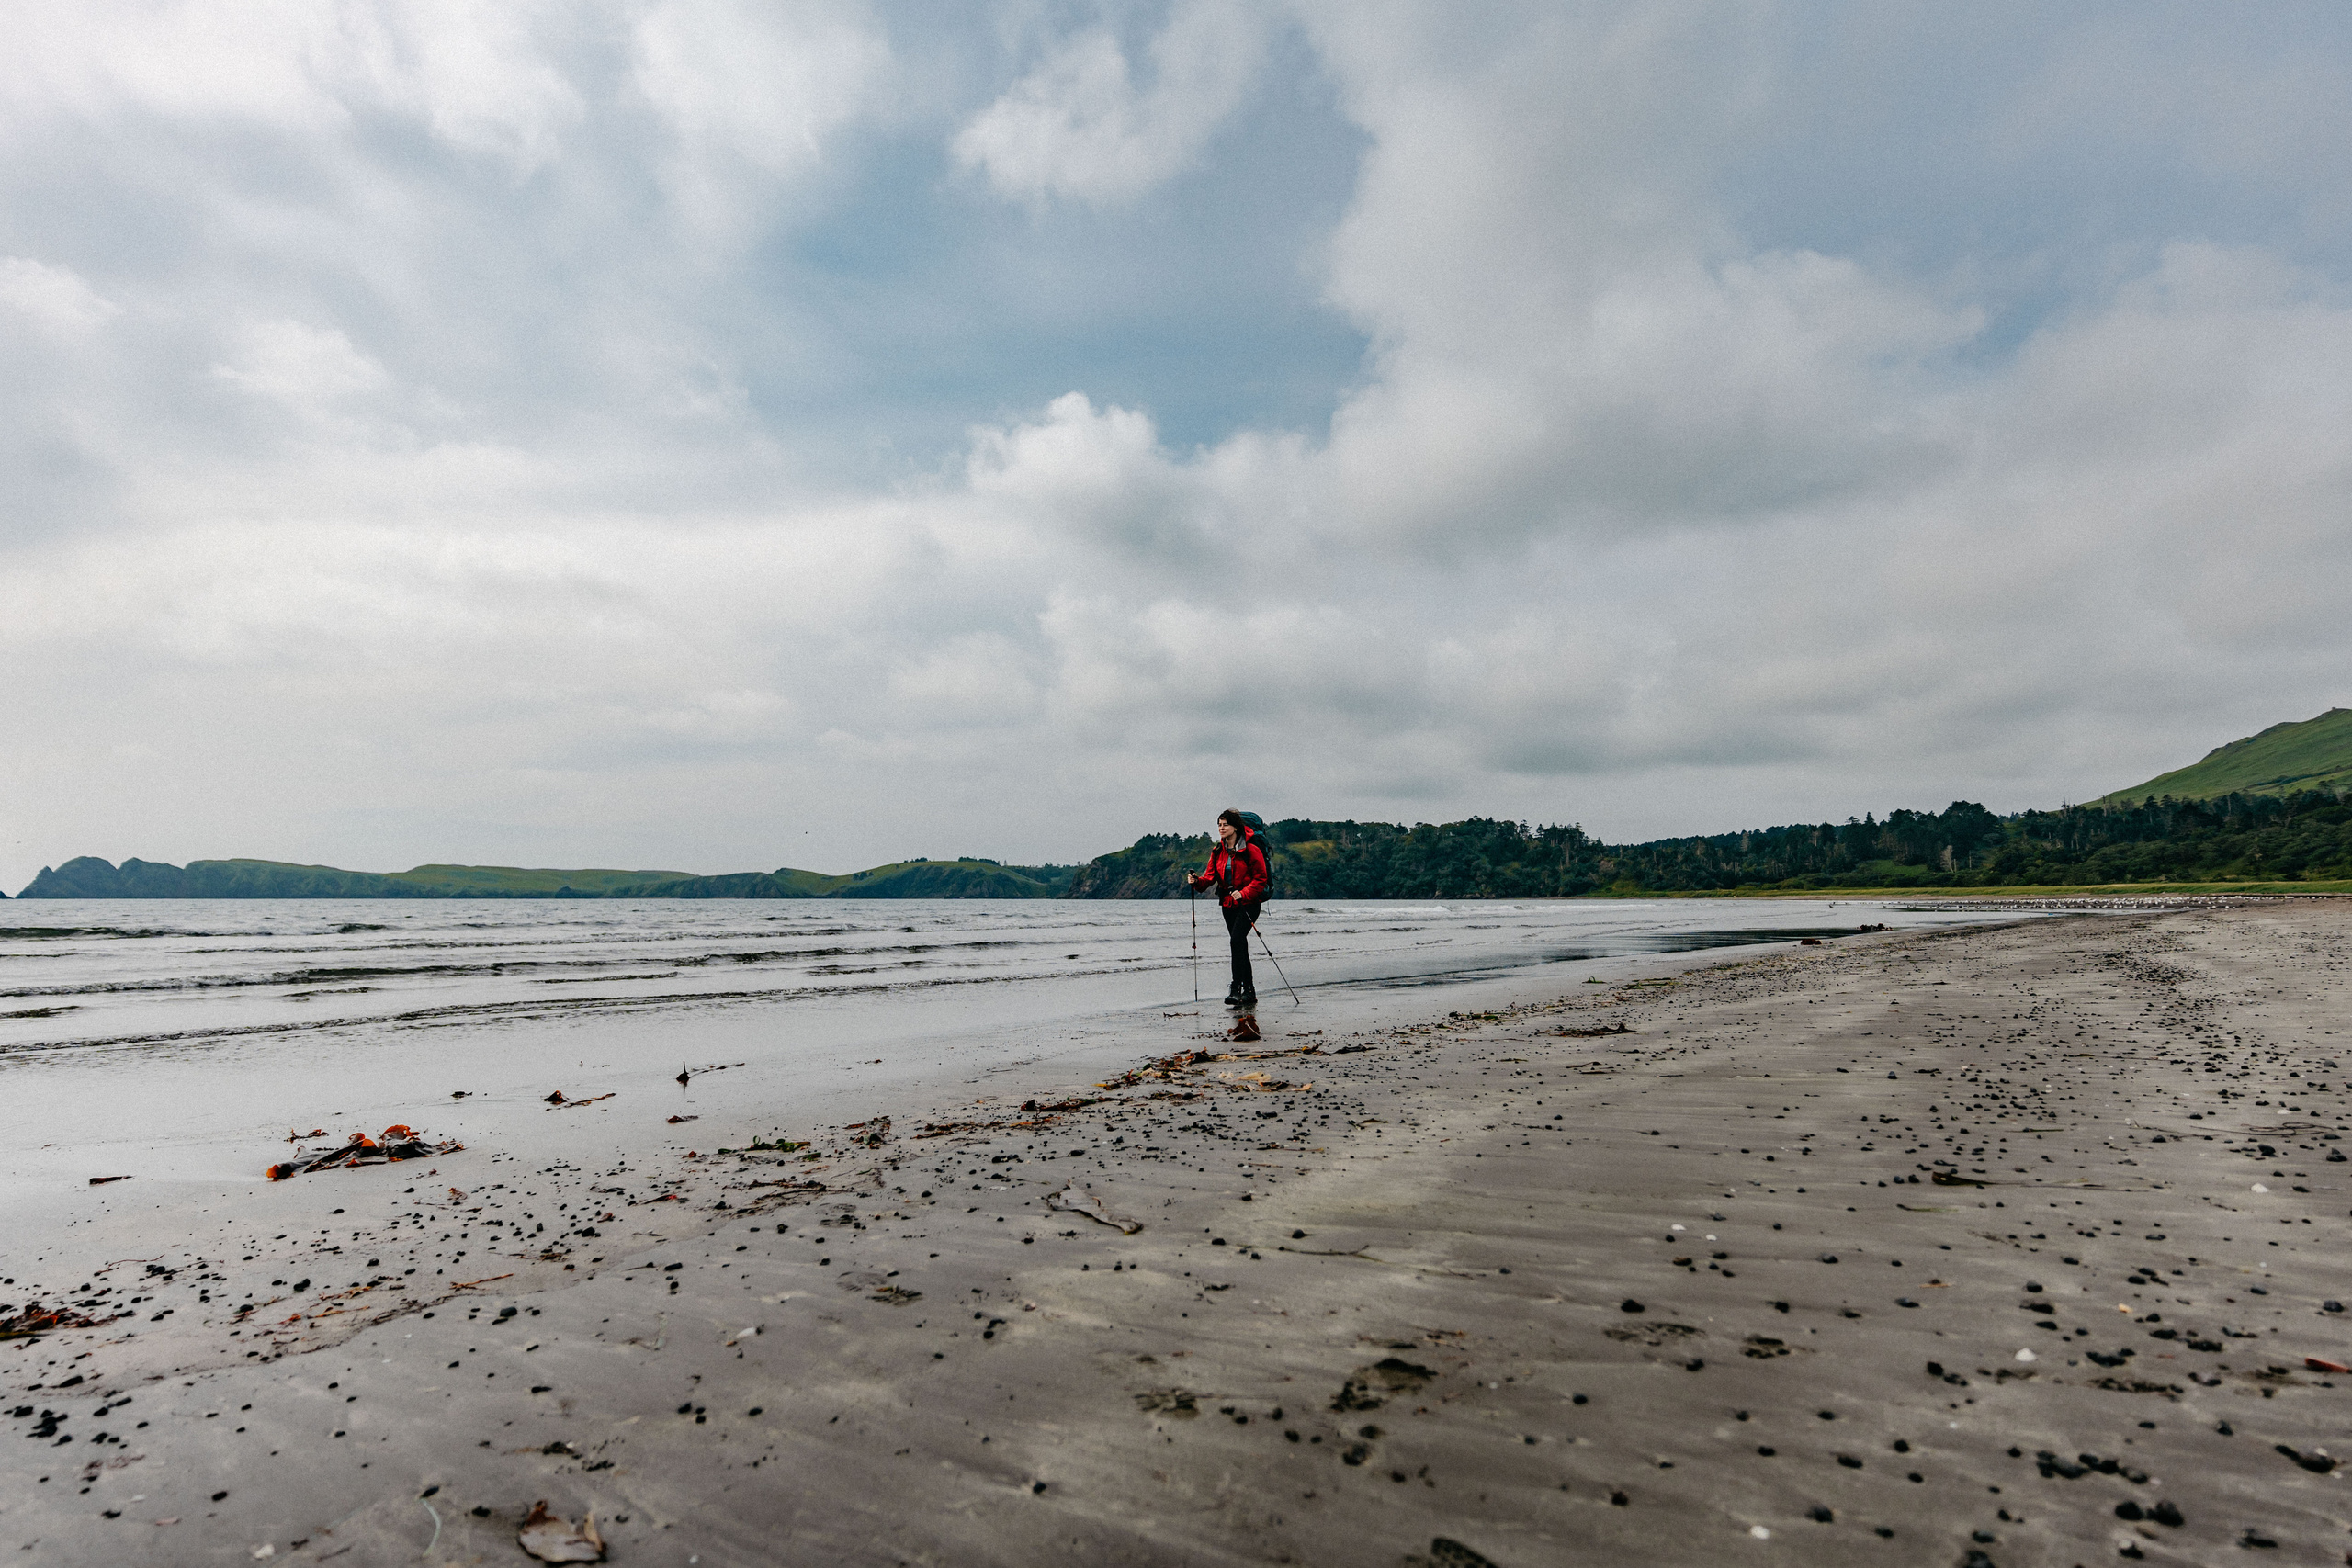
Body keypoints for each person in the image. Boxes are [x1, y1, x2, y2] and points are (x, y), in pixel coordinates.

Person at [1186, 808, 1268, 1008]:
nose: (1222, 828)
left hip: (1249, 904)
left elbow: (1261, 878)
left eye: (1225, 824)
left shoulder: (1251, 849)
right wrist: (1196, 881)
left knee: (1236, 941)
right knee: (1238, 945)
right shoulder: (1217, 851)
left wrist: (1245, 893)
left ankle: (1236, 988)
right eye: (1219, 825)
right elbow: (1209, 879)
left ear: (1235, 827)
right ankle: (1248, 991)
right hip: (1227, 904)